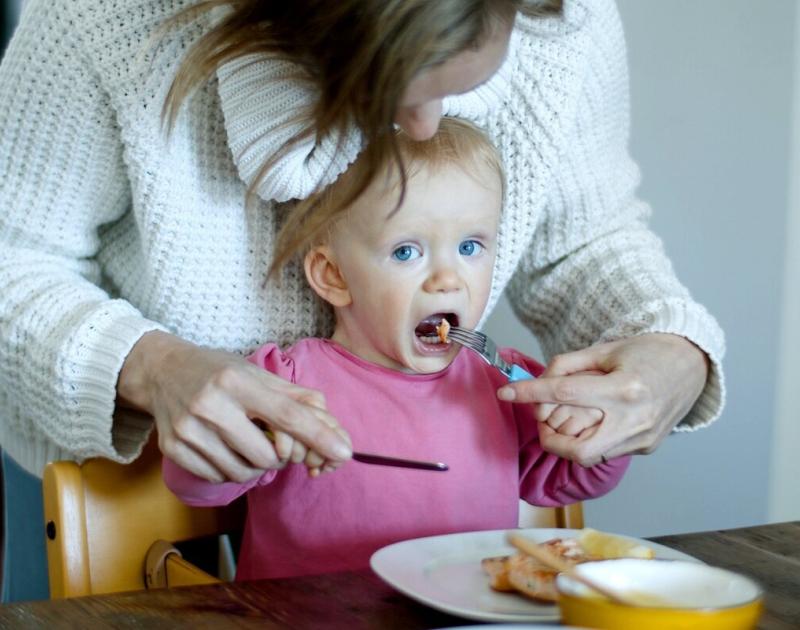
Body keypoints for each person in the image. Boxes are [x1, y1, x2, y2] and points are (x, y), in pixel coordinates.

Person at [0, 0, 723, 597]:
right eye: (395, 90)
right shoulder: (104, 21)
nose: (421, 128)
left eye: (471, 246)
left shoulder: (496, 382)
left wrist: (668, 358)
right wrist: (150, 369)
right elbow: (14, 257)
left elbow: (587, 240)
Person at [163, 118, 631, 579]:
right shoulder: (282, 384)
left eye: (470, 247)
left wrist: (595, 432)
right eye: (407, 251)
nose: (449, 278)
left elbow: (573, 478)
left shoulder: (508, 385)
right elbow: (198, 486)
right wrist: (236, 448)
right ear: (335, 276)